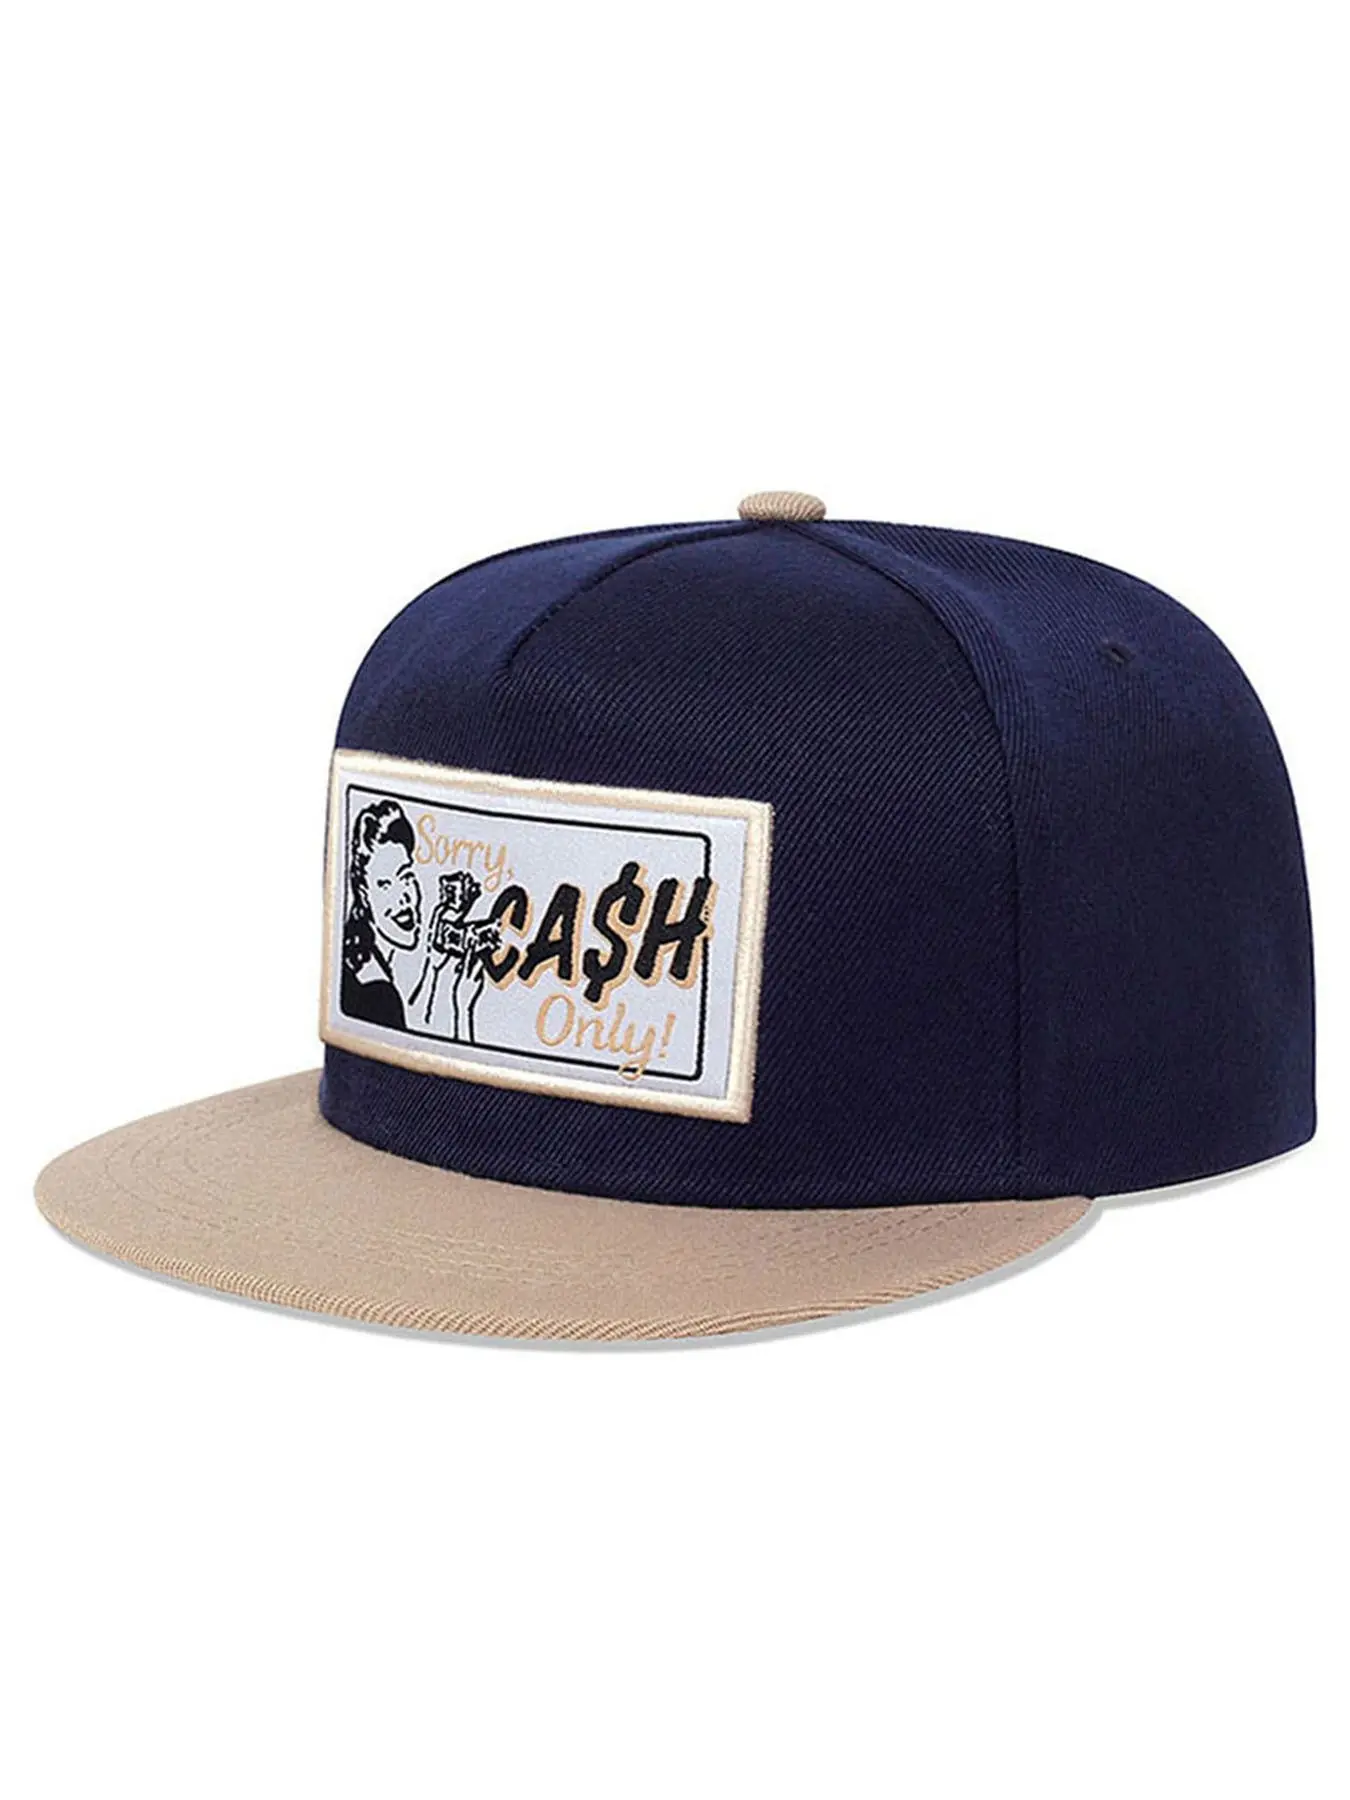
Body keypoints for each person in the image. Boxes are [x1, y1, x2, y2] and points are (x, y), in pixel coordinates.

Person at [340, 799, 447, 1028]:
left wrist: (433, 967)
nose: (403, 897)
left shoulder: (360, 961)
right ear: (363, 893)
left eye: (406, 876)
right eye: (385, 884)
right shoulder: (375, 991)